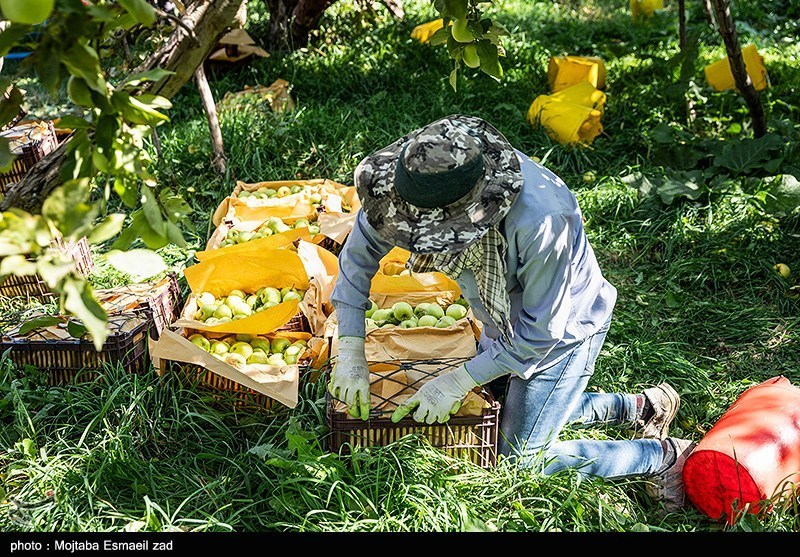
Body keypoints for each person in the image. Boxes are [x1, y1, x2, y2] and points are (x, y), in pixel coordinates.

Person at [327, 114, 697, 513]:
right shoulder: (414, 185)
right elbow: (358, 258)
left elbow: (541, 333)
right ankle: (640, 407)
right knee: (507, 406)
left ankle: (660, 456)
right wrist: (350, 348)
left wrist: (459, 380)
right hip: (496, 312)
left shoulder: (542, 221)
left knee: (521, 460)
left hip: (563, 330)